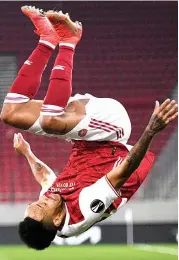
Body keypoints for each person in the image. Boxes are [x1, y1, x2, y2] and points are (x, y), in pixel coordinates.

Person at [14, 98, 177, 250]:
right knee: (53, 121)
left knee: (65, 112)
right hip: (115, 152)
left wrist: (27, 153)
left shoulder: (47, 205)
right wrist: (151, 130)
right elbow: (123, 172)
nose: (43, 198)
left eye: (35, 202)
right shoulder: (85, 210)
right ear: (56, 220)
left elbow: (44, 177)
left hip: (86, 154)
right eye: (42, 204)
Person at [1, 6, 131, 145]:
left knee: (11, 114)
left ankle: (51, 39)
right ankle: (60, 40)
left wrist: (29, 155)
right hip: (109, 127)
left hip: (101, 131)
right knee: (49, 120)